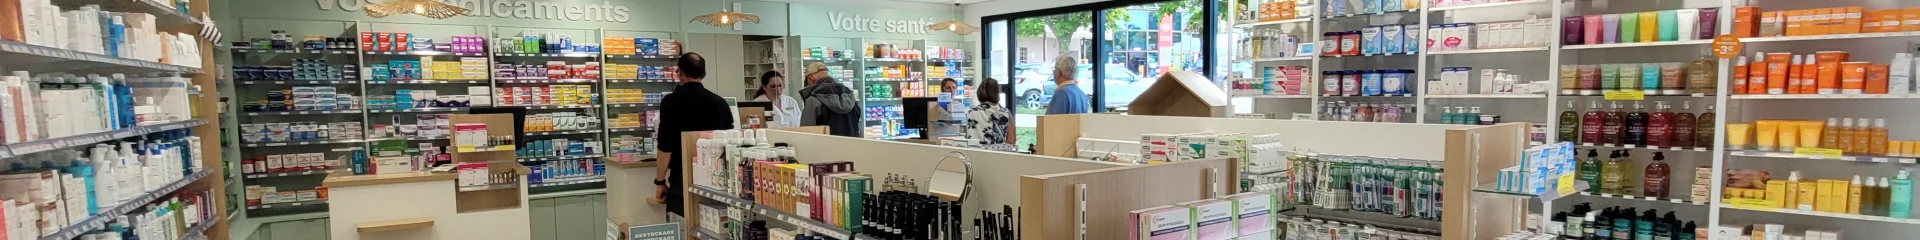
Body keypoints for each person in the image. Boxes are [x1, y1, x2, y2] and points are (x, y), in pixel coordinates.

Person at [652, 52, 734, 217]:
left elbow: (665, 146)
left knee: (682, 226)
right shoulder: (720, 103)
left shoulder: (671, 102)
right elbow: (730, 143)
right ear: (704, 74)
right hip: (716, 179)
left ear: (679, 72)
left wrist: (660, 181)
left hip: (682, 178)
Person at [798, 62, 861, 137]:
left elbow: (806, 132)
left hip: (825, 147)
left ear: (811, 79)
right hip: (852, 146)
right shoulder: (850, 96)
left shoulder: (813, 100)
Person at [964, 78, 1012, 145]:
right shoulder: (1006, 113)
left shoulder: (970, 112)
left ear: (979, 92)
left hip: (975, 152)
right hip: (998, 153)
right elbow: (1011, 140)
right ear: (997, 93)